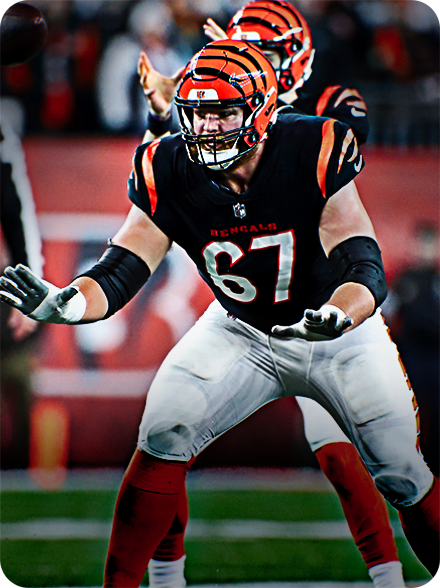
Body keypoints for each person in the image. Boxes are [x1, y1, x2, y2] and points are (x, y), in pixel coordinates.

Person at [0, 40, 439, 588]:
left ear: (262, 111)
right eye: (198, 113)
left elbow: (361, 264)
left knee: (401, 474)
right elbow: (120, 269)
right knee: (164, 431)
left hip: (337, 335)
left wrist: (339, 313)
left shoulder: (311, 147)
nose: (207, 127)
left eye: (223, 112)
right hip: (241, 328)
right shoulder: (168, 165)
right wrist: (68, 303)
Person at [137, 3, 406, 587]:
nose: (258, 58)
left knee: (355, 457)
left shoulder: (332, 105)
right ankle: (163, 577)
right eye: (245, 46)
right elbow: (175, 171)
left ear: (298, 57)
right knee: (166, 431)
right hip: (246, 308)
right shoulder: (217, 108)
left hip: (327, 305)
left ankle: (389, 576)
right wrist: (174, 108)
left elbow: (303, 149)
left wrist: (247, 91)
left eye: (269, 52)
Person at [0, 104, 44, 468]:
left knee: (22, 383)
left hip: (12, 350)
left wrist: (24, 298)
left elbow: (14, 212)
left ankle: (20, 464)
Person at [384, 221, 440, 477]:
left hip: (436, 357)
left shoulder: (437, 280)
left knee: (437, 412)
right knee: (407, 411)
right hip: (412, 355)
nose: (425, 249)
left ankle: (435, 464)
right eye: (422, 244)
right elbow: (386, 311)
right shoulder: (404, 279)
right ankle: (404, 462)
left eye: (430, 244)